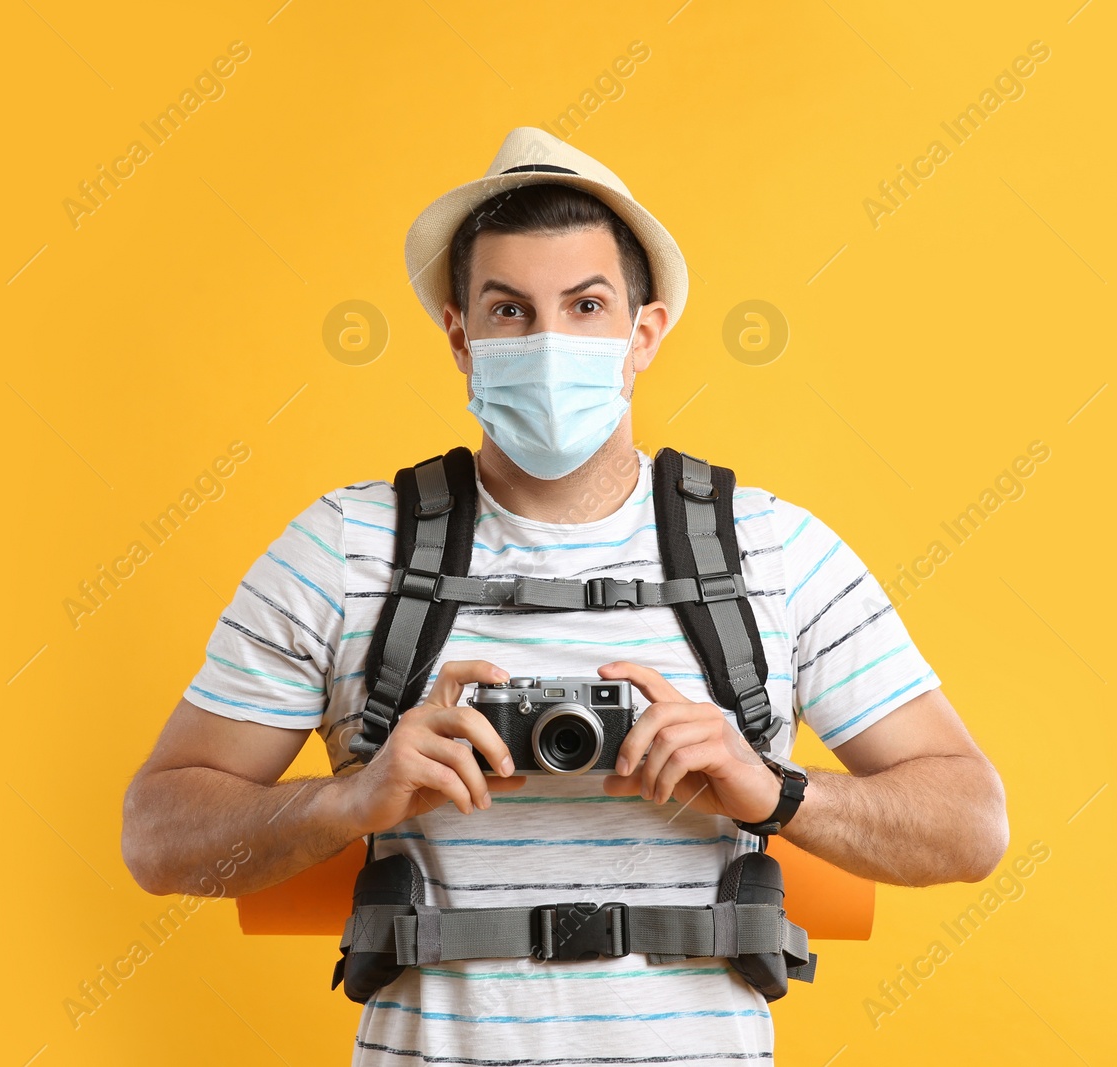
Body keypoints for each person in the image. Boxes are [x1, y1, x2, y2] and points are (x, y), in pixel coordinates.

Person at [121, 127, 1008, 1065]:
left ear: (643, 333)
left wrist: (769, 788)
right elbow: (159, 838)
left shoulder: (769, 549)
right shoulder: (345, 548)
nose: (548, 342)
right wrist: (351, 800)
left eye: (585, 305)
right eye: (509, 311)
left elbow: (969, 823)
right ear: (461, 337)